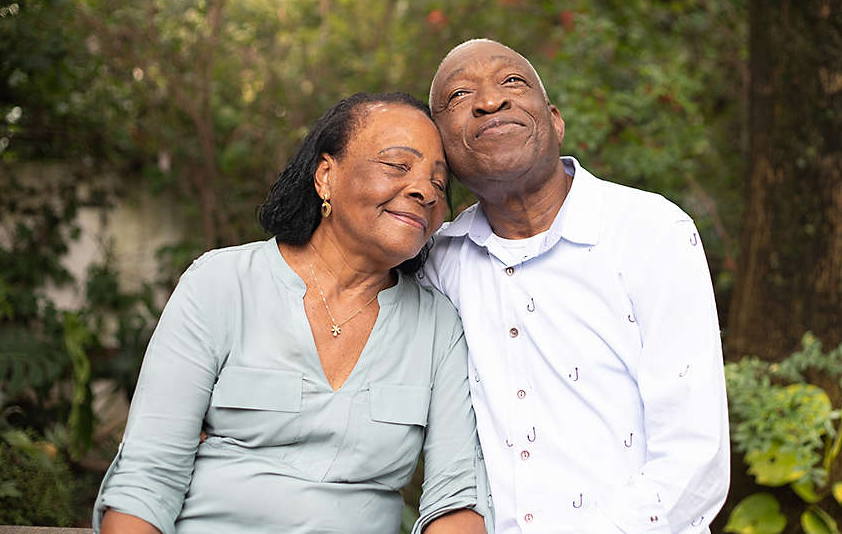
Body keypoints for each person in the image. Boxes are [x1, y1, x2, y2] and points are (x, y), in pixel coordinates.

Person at [94, 92, 488, 534]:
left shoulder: (437, 326)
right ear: (326, 176)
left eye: (439, 183)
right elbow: (146, 480)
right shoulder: (222, 283)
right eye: (398, 165)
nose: (425, 191)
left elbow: (455, 500)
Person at [422, 39, 730, 533]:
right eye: (459, 97)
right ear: (441, 150)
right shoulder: (440, 262)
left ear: (556, 121)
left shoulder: (650, 230)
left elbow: (695, 463)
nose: (488, 101)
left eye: (512, 82)